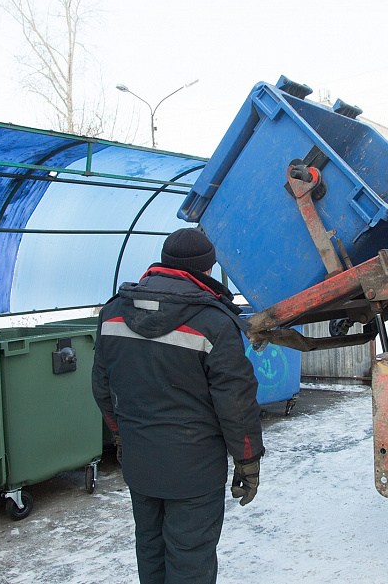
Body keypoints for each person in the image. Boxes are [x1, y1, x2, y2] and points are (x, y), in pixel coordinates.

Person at [92, 227, 264, 584]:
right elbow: (236, 402)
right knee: (190, 557)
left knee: (150, 549)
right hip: (194, 472)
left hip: (141, 464)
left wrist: (121, 435)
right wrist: (247, 460)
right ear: (207, 269)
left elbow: (102, 387)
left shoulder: (113, 313)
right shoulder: (213, 321)